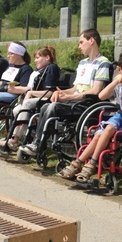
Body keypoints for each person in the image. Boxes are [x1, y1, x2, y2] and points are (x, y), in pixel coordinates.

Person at [56, 50, 122, 183]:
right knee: (99, 134)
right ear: (120, 69)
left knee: (109, 128)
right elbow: (101, 96)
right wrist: (116, 82)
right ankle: (78, 162)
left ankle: (92, 163)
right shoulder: (119, 83)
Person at [20, 29, 111, 157]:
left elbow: (96, 90)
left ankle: (38, 144)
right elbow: (75, 88)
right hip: (75, 100)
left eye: (81, 42)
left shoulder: (103, 63)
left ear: (91, 41)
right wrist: (60, 92)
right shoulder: (82, 63)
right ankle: (37, 143)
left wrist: (69, 97)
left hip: (88, 103)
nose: (79, 46)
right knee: (46, 105)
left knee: (52, 107)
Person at [0, 45, 61, 152]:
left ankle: (14, 139)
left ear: (47, 58)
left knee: (25, 105)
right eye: (35, 58)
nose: (35, 60)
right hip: (37, 99)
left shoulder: (51, 68)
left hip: (46, 100)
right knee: (16, 109)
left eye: (38, 57)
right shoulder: (39, 70)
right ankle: (27, 136)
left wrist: (31, 93)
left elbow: (50, 92)